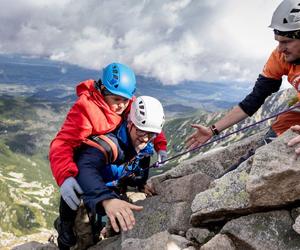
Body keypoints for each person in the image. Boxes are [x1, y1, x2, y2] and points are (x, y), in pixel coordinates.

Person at [186, 0, 300, 153]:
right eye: (278, 41)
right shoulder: (280, 58)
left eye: (286, 42)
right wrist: (212, 130)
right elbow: (255, 99)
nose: (280, 49)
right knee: (267, 147)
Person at [55, 96, 165, 249]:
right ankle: (64, 227)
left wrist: (140, 184)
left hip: (108, 187)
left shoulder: (144, 147)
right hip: (86, 188)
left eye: (151, 134)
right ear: (130, 123)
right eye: (141, 131)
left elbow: (135, 171)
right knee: (80, 240)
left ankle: (97, 228)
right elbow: (84, 167)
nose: (145, 138)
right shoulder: (109, 144)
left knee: (102, 227)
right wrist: (105, 199)